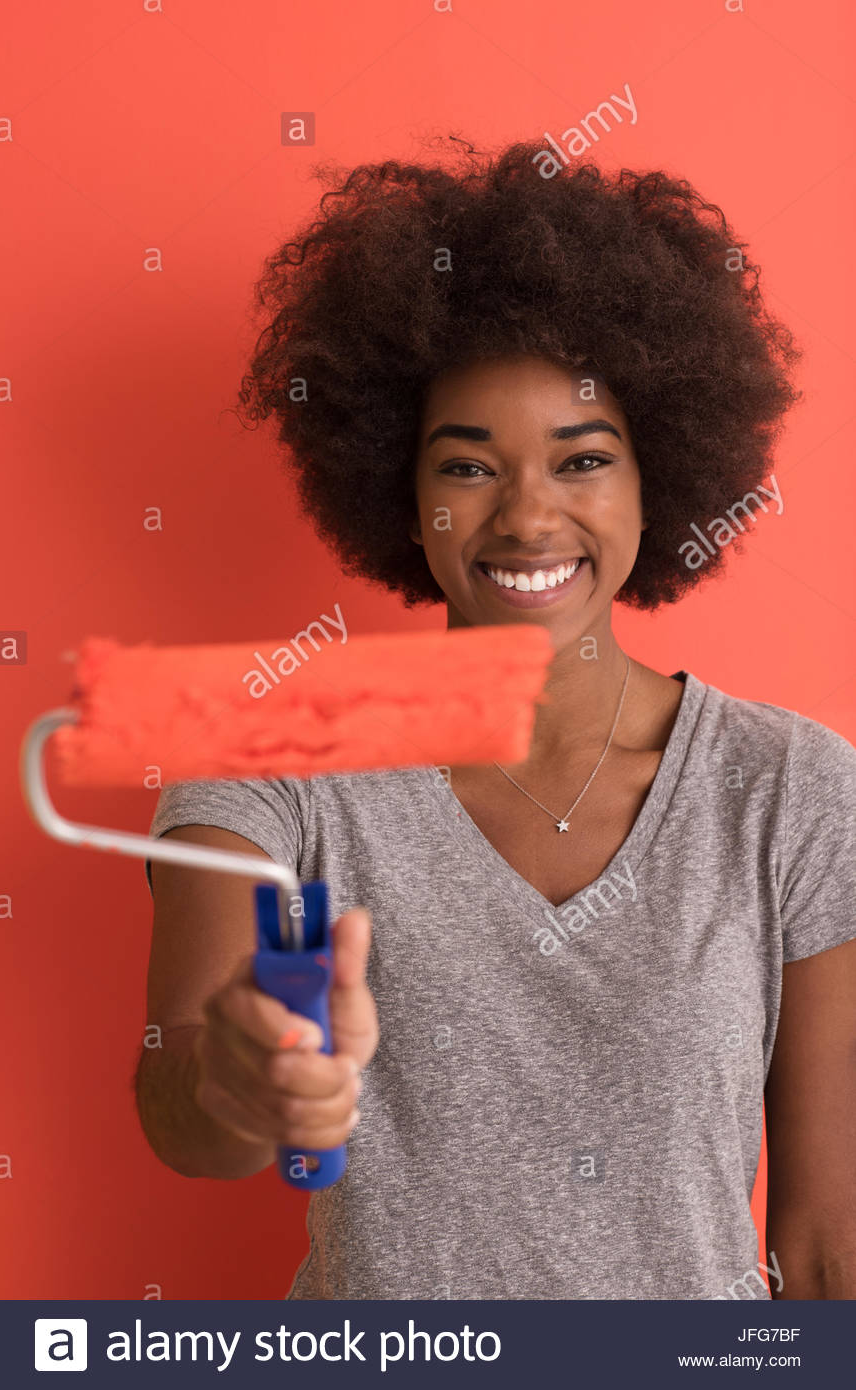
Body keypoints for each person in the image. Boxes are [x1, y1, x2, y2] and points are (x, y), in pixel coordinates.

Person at [136, 137, 856, 1300]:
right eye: (468, 467)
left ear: (656, 478)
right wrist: (241, 1072)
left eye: (582, 460)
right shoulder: (275, 767)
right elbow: (189, 1118)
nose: (528, 515)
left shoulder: (793, 790)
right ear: (397, 488)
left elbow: (828, 1247)